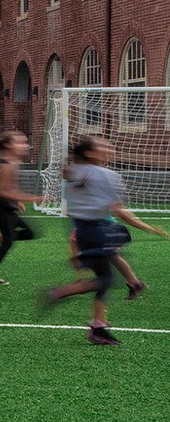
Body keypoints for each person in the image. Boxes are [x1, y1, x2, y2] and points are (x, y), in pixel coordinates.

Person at [42, 135, 169, 344]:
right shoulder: (107, 175)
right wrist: (149, 227)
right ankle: (59, 293)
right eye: (103, 146)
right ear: (91, 153)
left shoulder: (73, 172)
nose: (109, 148)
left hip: (83, 231)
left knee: (105, 276)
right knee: (107, 279)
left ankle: (98, 326)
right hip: (99, 230)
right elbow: (120, 212)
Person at [0, 131, 39, 285]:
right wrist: (31, 198)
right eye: (20, 143)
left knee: (30, 233)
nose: (25, 146)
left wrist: (17, 201)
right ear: (8, 145)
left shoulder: (13, 162)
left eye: (25, 142)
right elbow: (2, 191)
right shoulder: (6, 165)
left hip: (6, 205)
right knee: (8, 243)